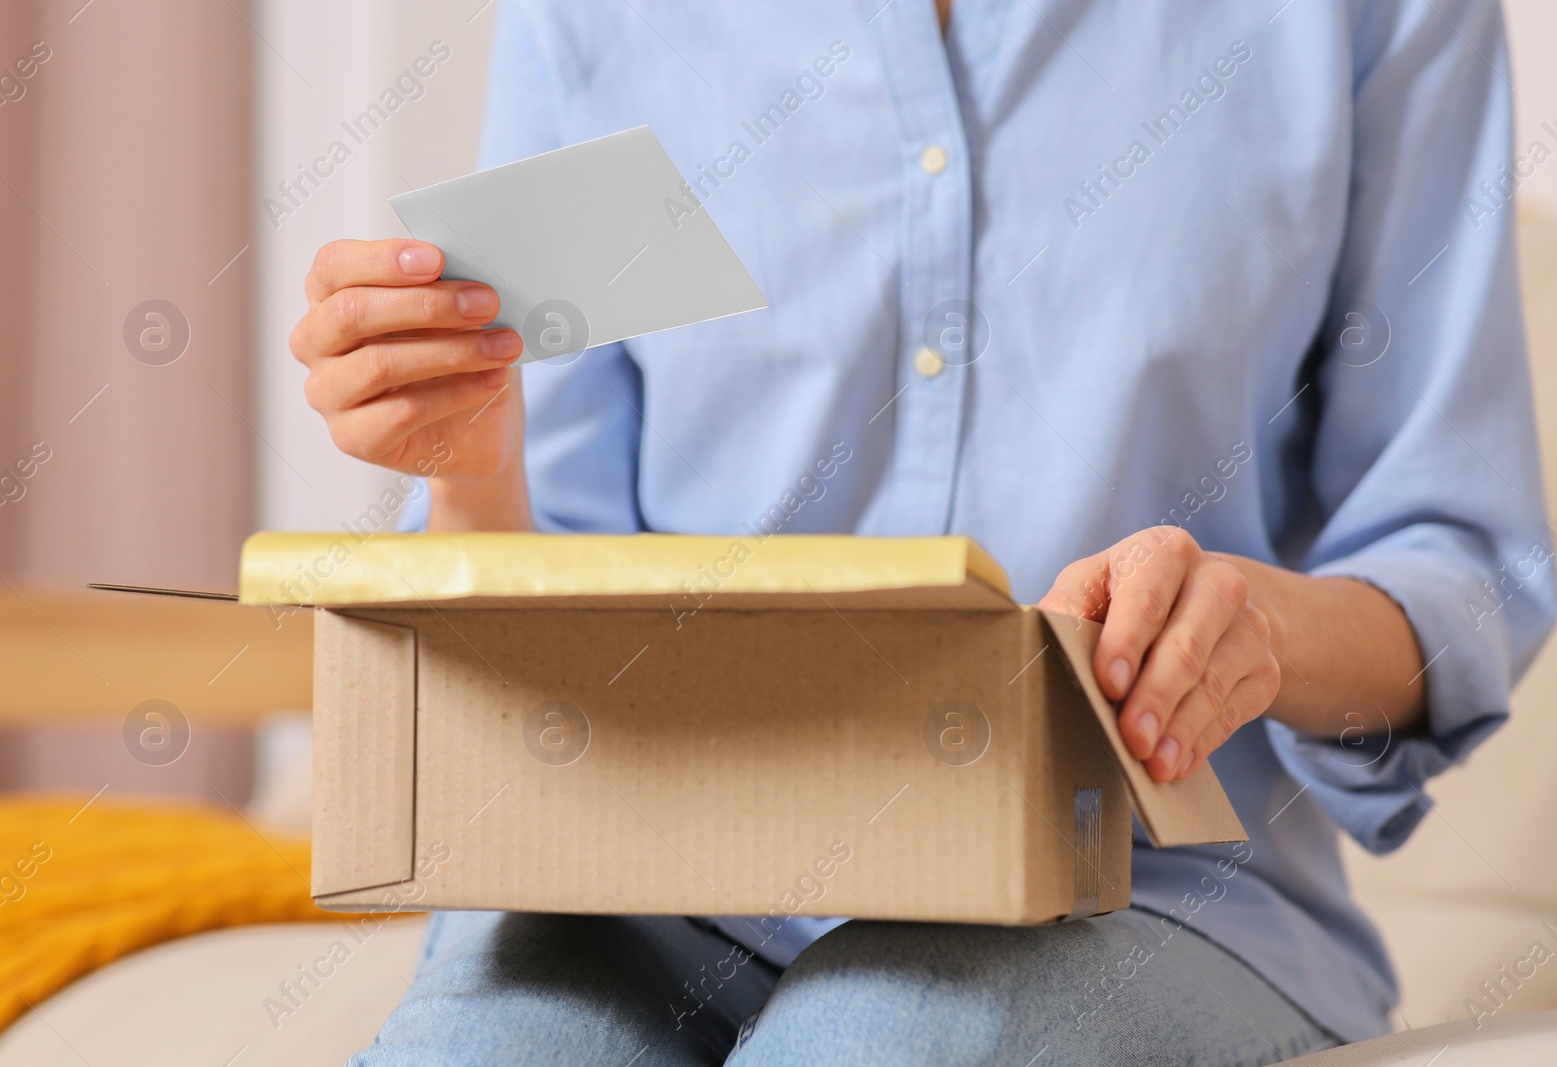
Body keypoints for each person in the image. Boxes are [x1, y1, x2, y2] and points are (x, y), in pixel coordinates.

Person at [290, 1, 1554, 1063]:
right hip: (641, 857)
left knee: (877, 1038)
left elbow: (1462, 557)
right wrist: (466, 466)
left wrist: (1256, 627)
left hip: (1142, 890)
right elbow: (536, 562)